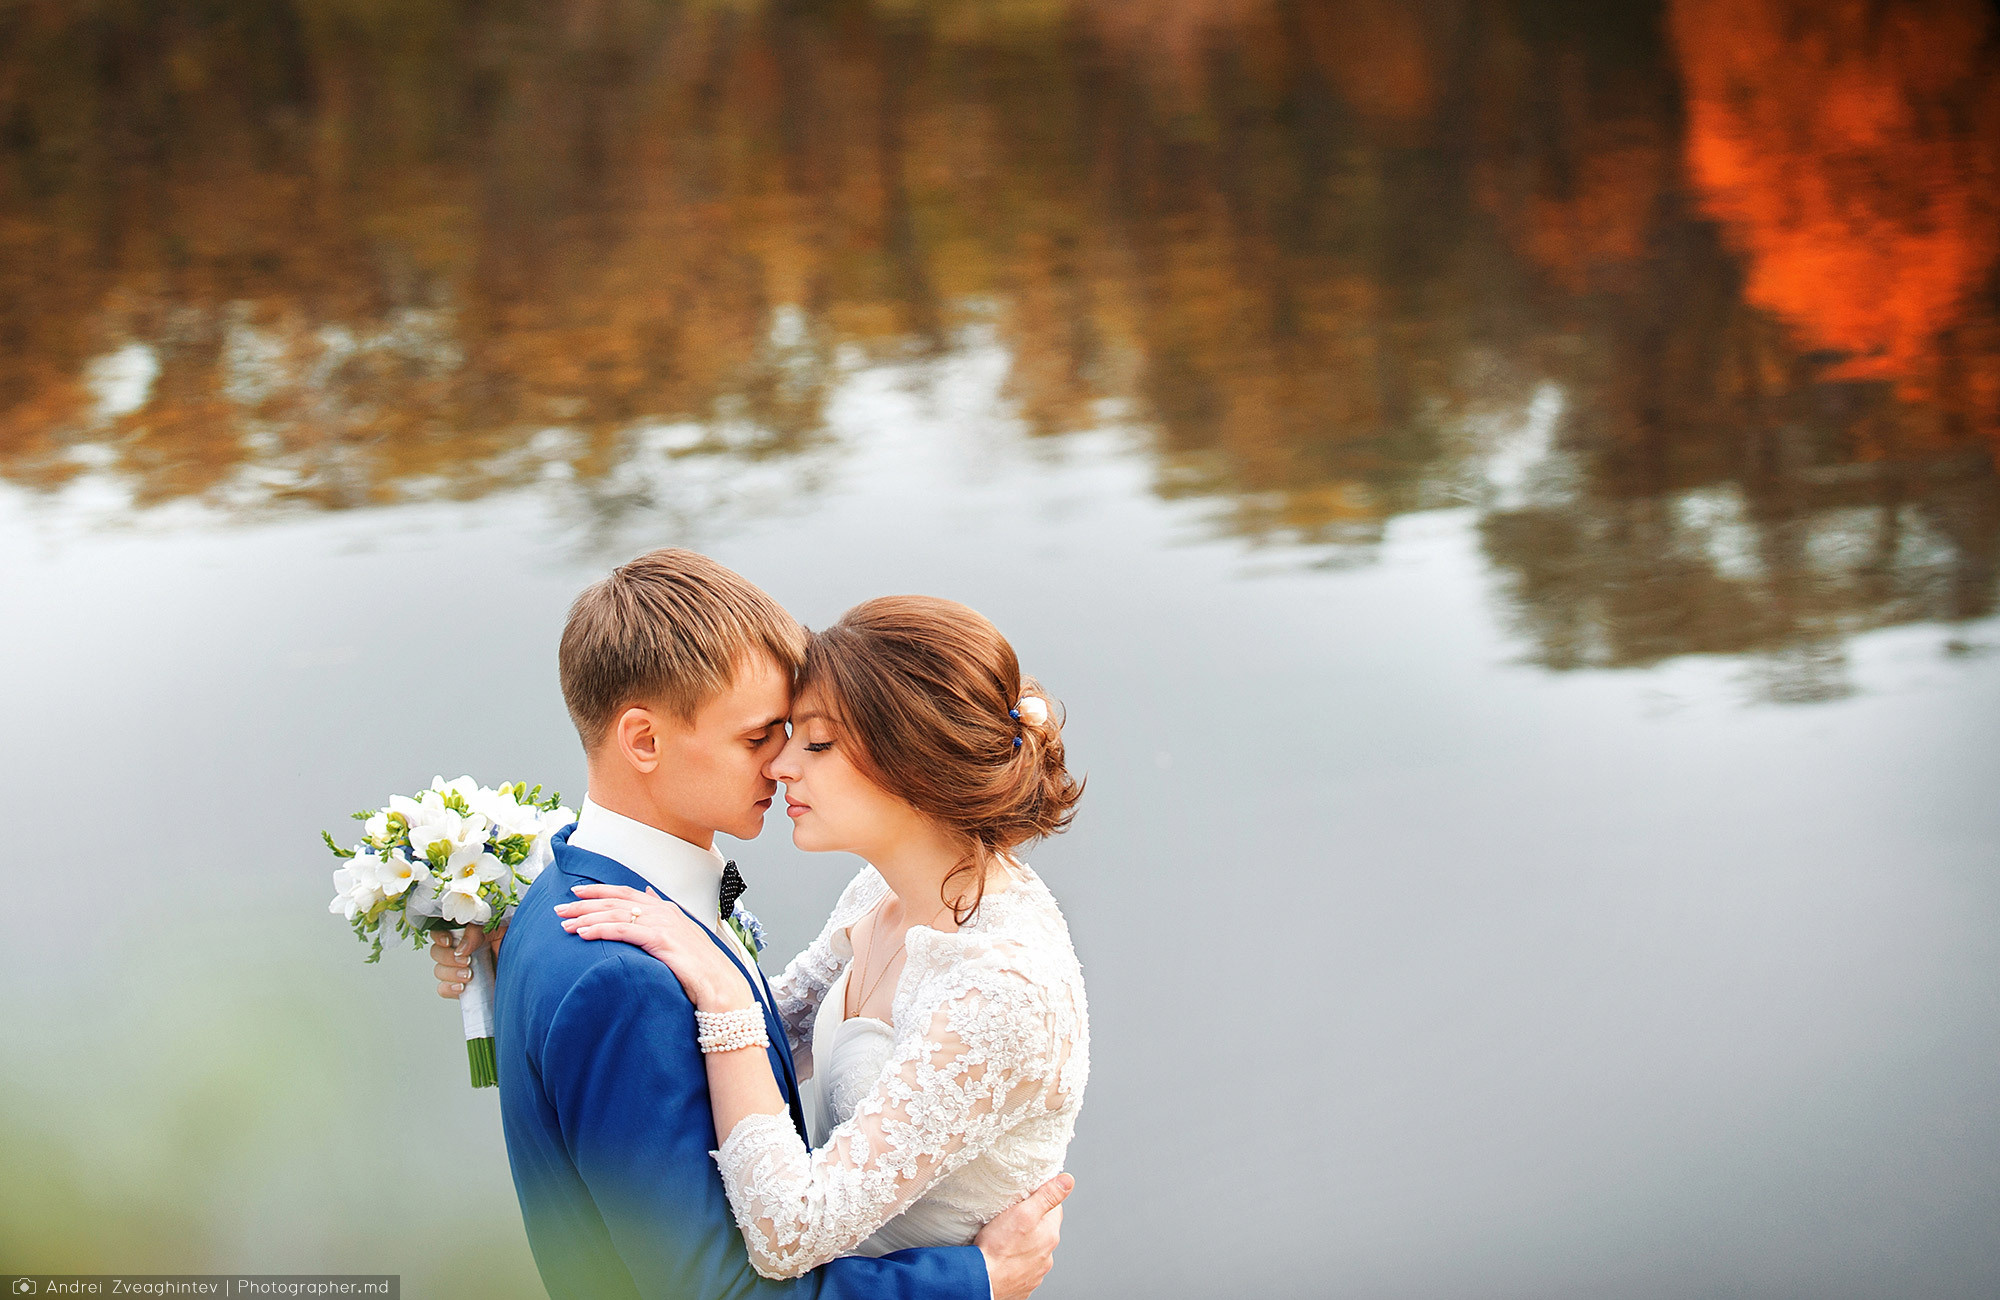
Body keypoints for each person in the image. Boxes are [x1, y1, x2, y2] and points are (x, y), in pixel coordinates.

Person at [433, 549, 1070, 1300]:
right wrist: (977, 1277)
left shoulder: (569, 895)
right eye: (758, 737)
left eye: (804, 736)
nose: (780, 765)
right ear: (644, 741)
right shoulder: (618, 977)